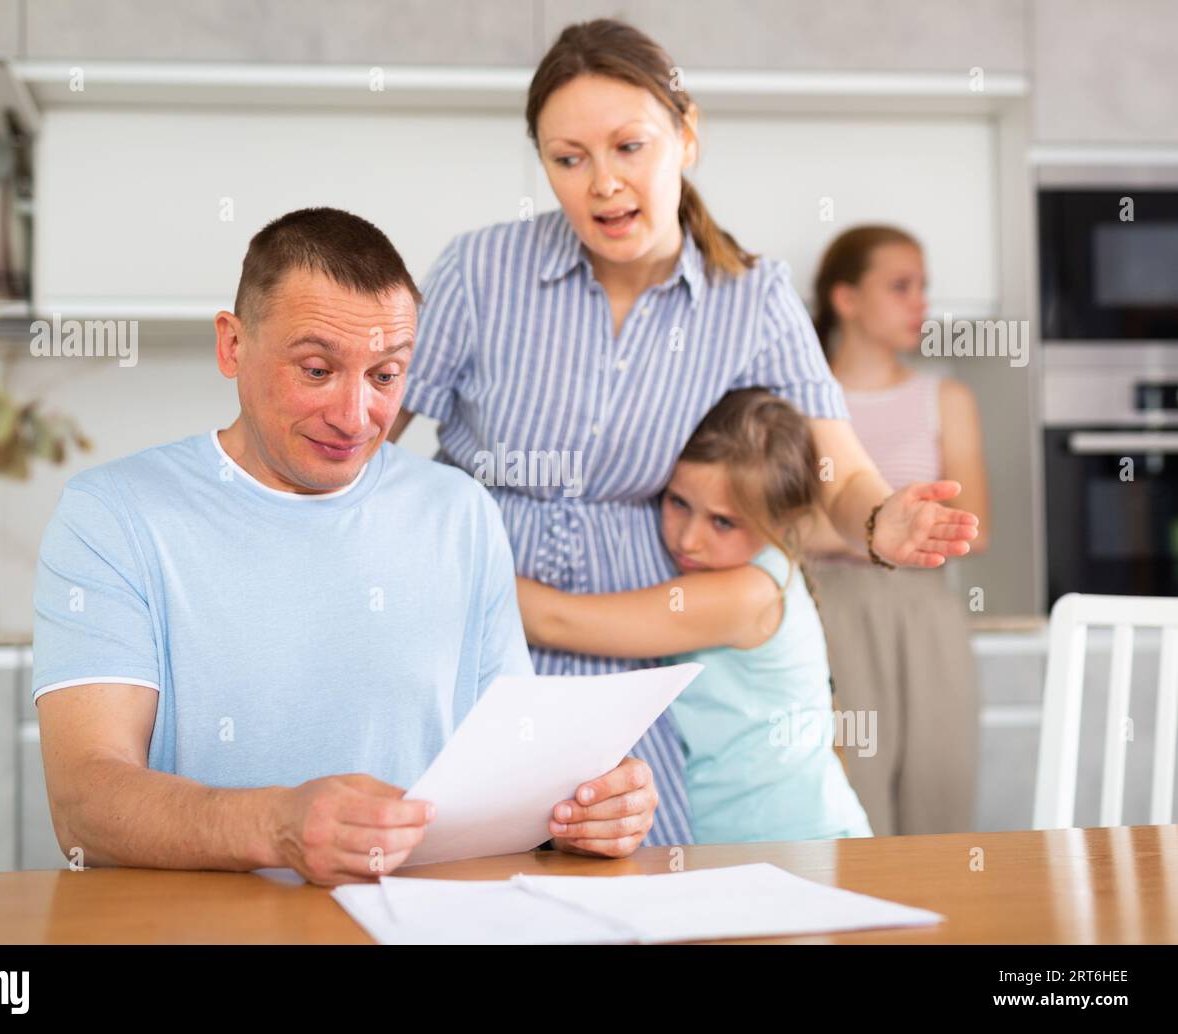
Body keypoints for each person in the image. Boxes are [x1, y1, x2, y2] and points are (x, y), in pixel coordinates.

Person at [388, 18, 978, 846]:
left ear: (686, 135)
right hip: (470, 623)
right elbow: (370, 435)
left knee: (629, 877)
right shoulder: (480, 270)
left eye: (630, 146)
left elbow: (839, 474)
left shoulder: (755, 298)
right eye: (569, 159)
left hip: (636, 651)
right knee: (455, 866)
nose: (602, 185)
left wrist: (886, 520)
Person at [31, 207, 659, 888]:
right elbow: (84, 805)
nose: (355, 417)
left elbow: (515, 773)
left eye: (385, 376)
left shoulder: (460, 513)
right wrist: (278, 827)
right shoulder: (114, 515)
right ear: (233, 345)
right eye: (316, 369)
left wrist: (586, 808)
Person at [517, 389, 872, 843]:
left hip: (801, 844)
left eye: (723, 522)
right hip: (738, 849)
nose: (688, 539)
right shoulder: (743, 572)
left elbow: (557, 621)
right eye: (678, 503)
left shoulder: (747, 593)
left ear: (784, 522)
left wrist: (451, 561)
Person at [805, 225, 990, 835]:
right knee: (851, 802)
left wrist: (838, 529)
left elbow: (976, 525)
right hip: (827, 613)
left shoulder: (946, 396)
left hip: (925, 613)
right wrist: (884, 531)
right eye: (900, 286)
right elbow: (776, 530)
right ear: (846, 298)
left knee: (940, 793)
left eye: (924, 288)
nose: (921, 304)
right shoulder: (800, 402)